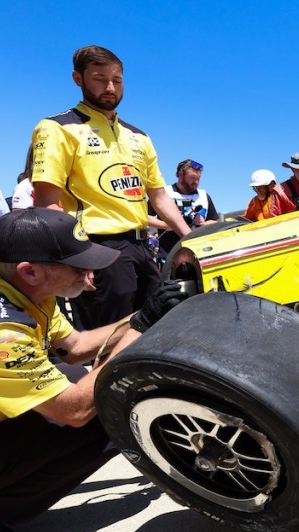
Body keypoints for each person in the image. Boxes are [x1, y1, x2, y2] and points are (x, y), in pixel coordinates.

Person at [0, 208, 188, 532]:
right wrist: (139, 330)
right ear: (30, 269)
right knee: (109, 408)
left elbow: (76, 345)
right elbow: (74, 411)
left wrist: (142, 317)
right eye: (77, 265)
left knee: (72, 373)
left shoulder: (8, 282)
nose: (91, 273)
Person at [31, 45, 190, 329]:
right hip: (97, 246)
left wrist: (192, 238)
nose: (110, 87)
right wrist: (77, 258)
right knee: (112, 335)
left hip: (143, 247)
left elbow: (160, 197)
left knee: (160, 328)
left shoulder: (139, 136)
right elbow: (47, 204)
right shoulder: (57, 128)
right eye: (99, 78)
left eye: (116, 80)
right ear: (78, 79)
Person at [148, 159, 220, 254]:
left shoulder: (203, 195)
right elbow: (145, 216)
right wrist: (168, 225)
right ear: (180, 175)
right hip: (169, 254)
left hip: (198, 252)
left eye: (198, 178)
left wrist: (203, 225)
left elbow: (214, 220)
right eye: (192, 178)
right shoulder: (164, 194)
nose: (196, 182)